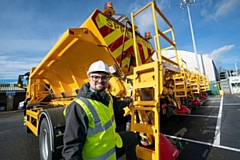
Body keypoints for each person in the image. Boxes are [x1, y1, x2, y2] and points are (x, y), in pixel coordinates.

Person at [62, 60, 138, 160]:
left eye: (104, 77)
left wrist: (130, 100)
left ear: (108, 79)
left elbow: (118, 105)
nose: (100, 80)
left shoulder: (108, 98)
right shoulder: (79, 107)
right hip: (95, 156)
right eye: (95, 77)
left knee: (133, 138)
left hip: (110, 145)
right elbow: (72, 147)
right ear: (89, 78)